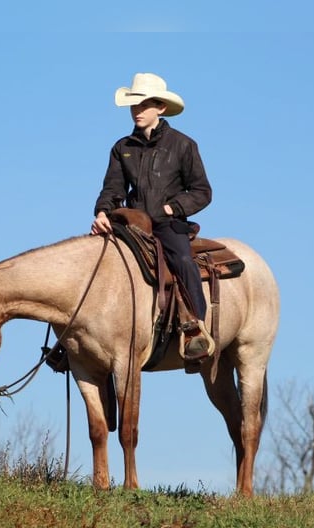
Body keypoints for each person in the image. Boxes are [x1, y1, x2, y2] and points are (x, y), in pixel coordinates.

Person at [90, 72, 214, 364]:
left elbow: (202, 191)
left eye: (143, 105)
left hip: (168, 223)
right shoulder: (122, 148)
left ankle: (197, 327)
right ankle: (83, 338)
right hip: (132, 223)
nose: (137, 111)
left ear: (160, 108)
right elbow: (113, 188)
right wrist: (102, 212)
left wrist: (174, 208)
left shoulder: (183, 145)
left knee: (183, 260)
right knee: (92, 258)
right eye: (134, 105)